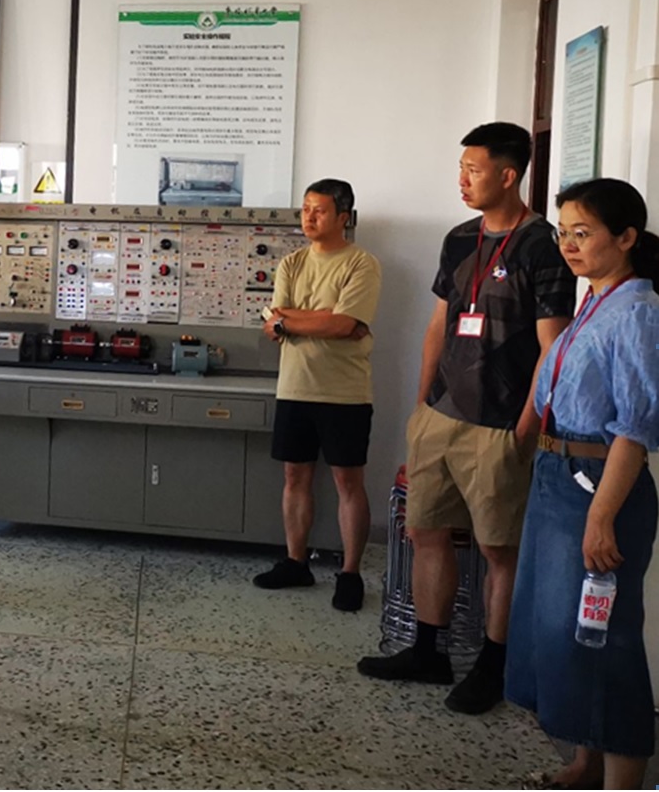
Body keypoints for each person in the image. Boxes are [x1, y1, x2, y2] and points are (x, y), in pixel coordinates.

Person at [358, 122, 575, 714]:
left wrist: (526, 427)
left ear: (508, 175)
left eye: (473, 170)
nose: (462, 179)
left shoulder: (543, 246)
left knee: (498, 548)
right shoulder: (458, 239)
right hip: (442, 415)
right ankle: (427, 651)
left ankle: (493, 667)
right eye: (461, 168)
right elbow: (440, 325)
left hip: (501, 424)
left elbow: (553, 347)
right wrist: (420, 407)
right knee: (425, 531)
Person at [506, 178, 659, 789]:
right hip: (559, 475)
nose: (569, 244)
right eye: (563, 232)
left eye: (583, 232)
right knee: (563, 630)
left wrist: (601, 517)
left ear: (626, 238)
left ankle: (622, 778)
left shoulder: (638, 312)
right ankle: (584, 763)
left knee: (605, 636)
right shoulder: (595, 300)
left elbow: (635, 429)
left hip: (600, 484)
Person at [254, 178, 381, 611]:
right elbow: (273, 323)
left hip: (344, 393)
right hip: (295, 387)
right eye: (305, 209)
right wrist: (320, 320)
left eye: (319, 210)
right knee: (295, 476)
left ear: (343, 217)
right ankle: (296, 562)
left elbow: (344, 325)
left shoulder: (362, 264)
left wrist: (294, 320)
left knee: (348, 482)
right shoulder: (291, 263)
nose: (309, 217)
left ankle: (350, 573)